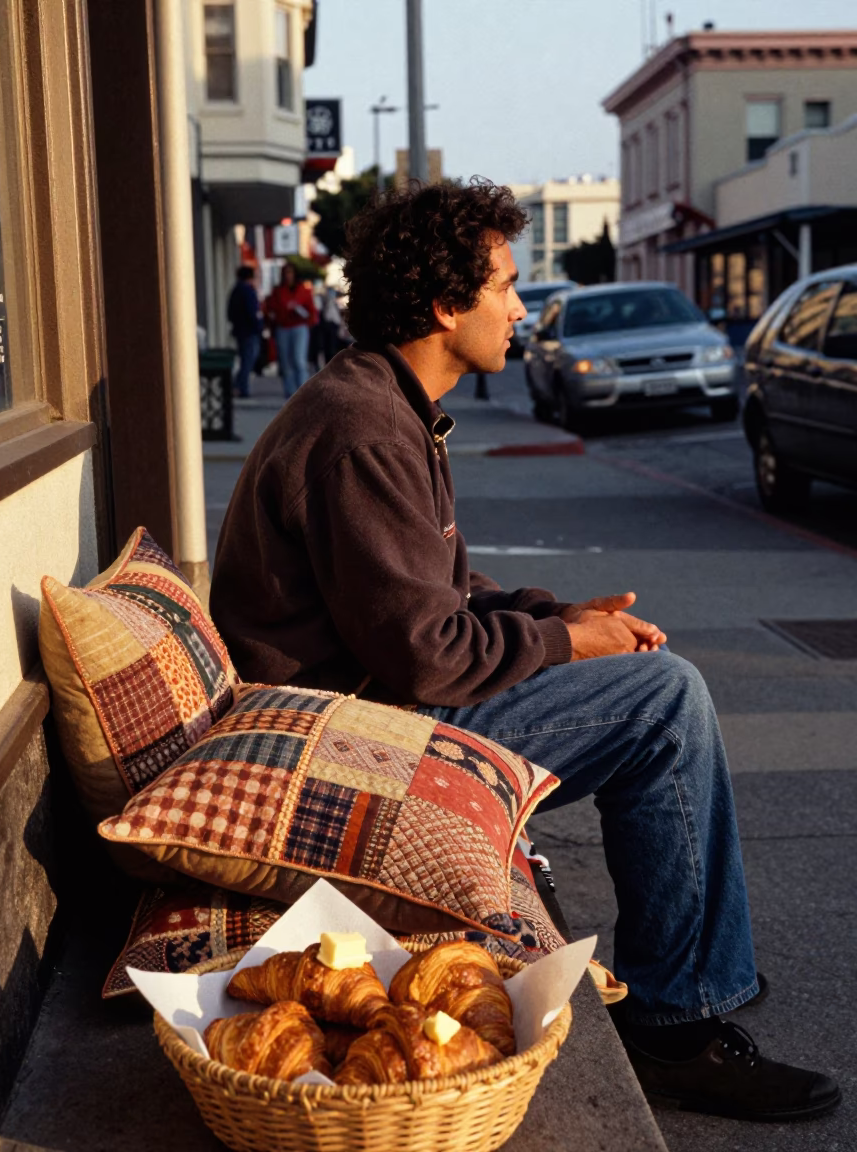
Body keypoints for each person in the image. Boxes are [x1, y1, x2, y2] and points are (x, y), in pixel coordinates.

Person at [210, 180, 840, 1123]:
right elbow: (427, 653)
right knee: (665, 704)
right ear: (443, 304)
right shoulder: (364, 431)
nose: (521, 307)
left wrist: (559, 617)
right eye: (505, 285)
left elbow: (439, 594)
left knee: (645, 681)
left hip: (370, 698)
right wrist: (558, 642)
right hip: (358, 730)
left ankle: (684, 994)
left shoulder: (386, 403)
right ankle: (679, 1025)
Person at [265, 262, 316, 398]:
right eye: (286, 273)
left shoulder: (303, 290)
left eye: (291, 272)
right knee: (286, 361)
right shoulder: (278, 291)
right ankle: (290, 392)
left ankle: (303, 391)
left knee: (299, 359)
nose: (288, 276)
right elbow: (271, 308)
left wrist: (303, 314)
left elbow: (311, 310)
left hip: (299, 327)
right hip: (283, 328)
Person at [226, 265, 263, 398]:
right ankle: (241, 387)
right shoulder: (248, 291)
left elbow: (230, 313)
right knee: (248, 360)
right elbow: (253, 312)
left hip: (241, 330)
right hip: (249, 331)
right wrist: (259, 326)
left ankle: (238, 386)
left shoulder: (236, 290)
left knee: (245, 360)